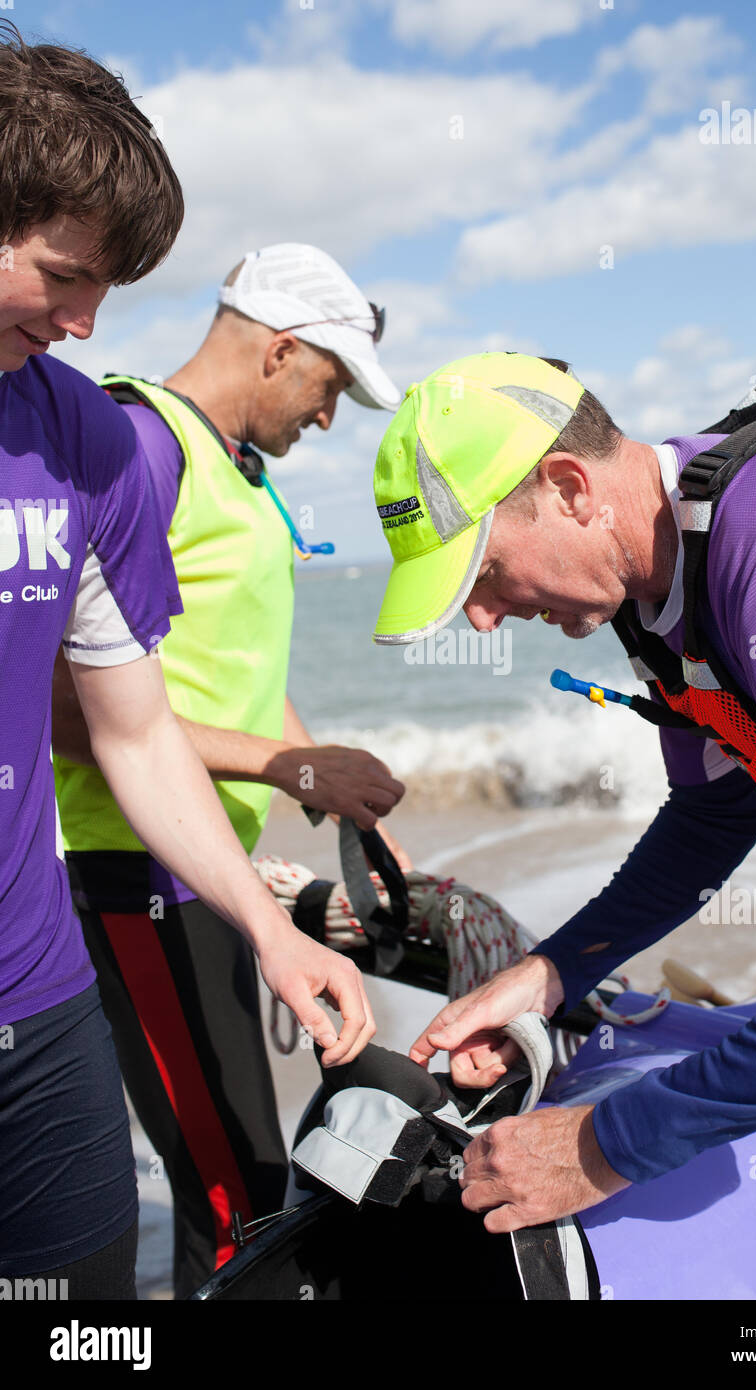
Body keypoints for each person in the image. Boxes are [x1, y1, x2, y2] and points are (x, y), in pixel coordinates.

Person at [369, 349, 756, 1234]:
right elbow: (712, 814)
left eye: (481, 570)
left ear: (570, 487)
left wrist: (607, 1147)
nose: (478, 616)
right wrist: (552, 972)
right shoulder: (661, 589)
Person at [0, 23, 373, 1300]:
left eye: (109, 285)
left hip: (33, 981)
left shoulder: (79, 435)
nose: (89, 318)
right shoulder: (150, 440)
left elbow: (136, 725)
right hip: (113, 884)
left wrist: (273, 928)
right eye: (62, 272)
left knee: (87, 1312)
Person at [51, 243, 409, 1295]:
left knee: (256, 1172)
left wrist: (319, 779)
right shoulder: (142, 447)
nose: (329, 416)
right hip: (133, 870)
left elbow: (232, 673)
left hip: (212, 877)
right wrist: (291, 767)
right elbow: (73, 707)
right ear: (280, 349)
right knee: (235, 1199)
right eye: (329, 386)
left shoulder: (236, 469)